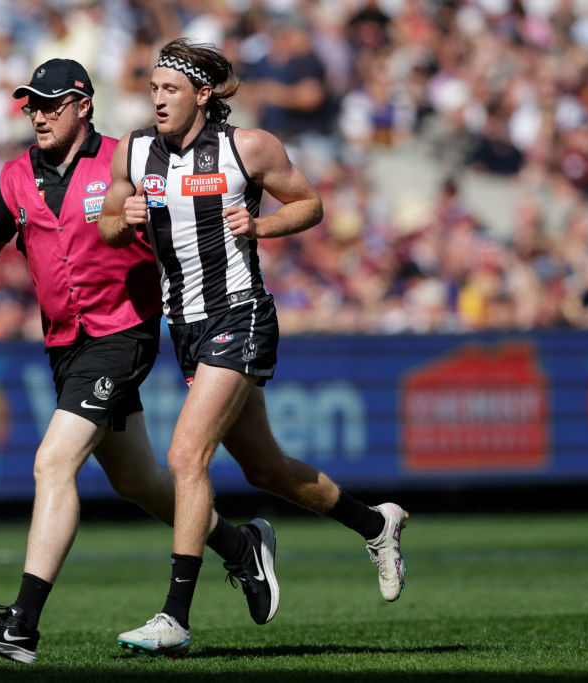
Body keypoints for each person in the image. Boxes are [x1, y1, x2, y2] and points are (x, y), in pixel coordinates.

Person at [0, 58, 281, 665]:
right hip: (63, 343)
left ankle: (22, 624)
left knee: (53, 462)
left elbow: (187, 228)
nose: (38, 115)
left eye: (50, 104)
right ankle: (240, 547)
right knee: (137, 482)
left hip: (122, 333)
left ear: (83, 106)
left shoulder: (128, 158)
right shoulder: (16, 174)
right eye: (31, 105)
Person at [99, 39, 409, 657]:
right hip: (184, 326)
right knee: (265, 469)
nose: (157, 99)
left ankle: (175, 616)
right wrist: (121, 218)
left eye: (170, 89)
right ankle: (376, 523)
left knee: (186, 457)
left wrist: (261, 224)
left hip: (239, 314)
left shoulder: (249, 147)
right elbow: (108, 224)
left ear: (202, 95)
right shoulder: (132, 150)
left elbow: (311, 204)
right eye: (153, 88)